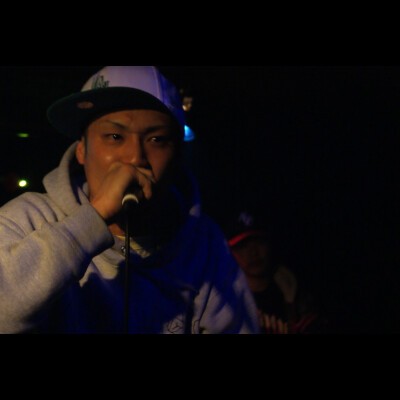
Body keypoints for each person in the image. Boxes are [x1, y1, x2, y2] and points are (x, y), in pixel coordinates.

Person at [0, 66, 259, 334]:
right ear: (81, 150)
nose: (135, 157)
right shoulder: (29, 219)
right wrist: (94, 217)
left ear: (176, 157)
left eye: (157, 139)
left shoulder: (204, 244)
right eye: (115, 137)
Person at [224, 209, 325, 333]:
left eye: (259, 242)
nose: (253, 252)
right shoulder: (222, 298)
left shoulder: (296, 294)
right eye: (243, 246)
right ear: (230, 251)